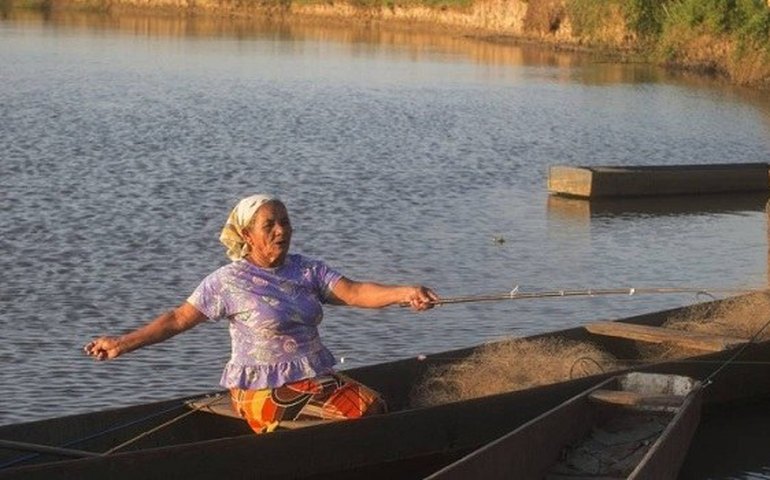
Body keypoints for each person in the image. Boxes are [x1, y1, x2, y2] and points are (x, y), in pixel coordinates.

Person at [84, 194, 438, 433]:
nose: (281, 231)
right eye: (269, 225)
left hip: (313, 378)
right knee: (367, 410)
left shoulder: (307, 270)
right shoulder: (227, 281)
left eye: (285, 222)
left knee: (375, 407)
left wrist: (405, 293)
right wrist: (122, 343)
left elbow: (356, 292)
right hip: (262, 389)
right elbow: (177, 319)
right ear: (247, 235)